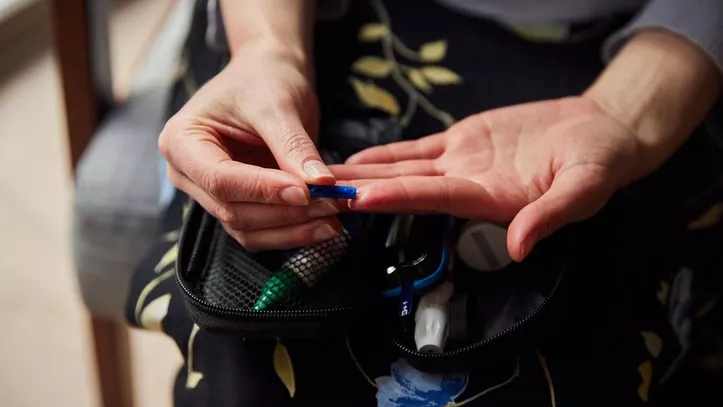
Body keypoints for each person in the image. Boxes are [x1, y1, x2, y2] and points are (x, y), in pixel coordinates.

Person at [129, 0, 723, 405]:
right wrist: (266, 51)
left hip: (652, 57)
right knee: (247, 348)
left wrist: (623, 113)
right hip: (309, 22)